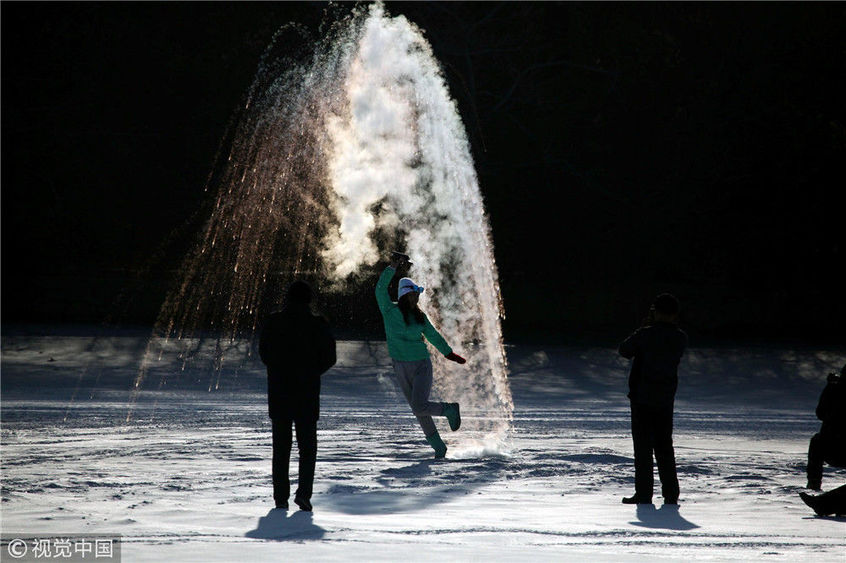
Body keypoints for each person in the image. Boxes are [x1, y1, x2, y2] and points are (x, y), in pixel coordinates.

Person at [375, 253, 466, 458]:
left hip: (421, 365)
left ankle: (450, 410)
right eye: (412, 295)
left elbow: (433, 336)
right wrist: (392, 267)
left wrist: (449, 354)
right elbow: (380, 289)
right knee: (419, 410)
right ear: (403, 296)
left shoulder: (420, 316)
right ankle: (438, 447)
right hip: (400, 366)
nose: (416, 299)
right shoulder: (389, 311)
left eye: (416, 296)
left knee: (419, 405)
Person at [259, 281, 336, 512]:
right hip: (307, 392)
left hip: (280, 392)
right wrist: (312, 372)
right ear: (309, 299)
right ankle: (303, 494)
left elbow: (265, 353)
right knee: (307, 447)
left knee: (281, 448)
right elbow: (330, 357)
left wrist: (278, 370)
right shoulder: (318, 324)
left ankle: (280, 497)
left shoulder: (274, 322)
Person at [618, 293, 688, 505]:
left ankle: (644, 493)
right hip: (665, 398)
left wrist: (644, 328)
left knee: (643, 448)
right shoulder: (680, 337)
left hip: (642, 397)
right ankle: (671, 493)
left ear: (655, 312)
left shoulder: (645, 334)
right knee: (665, 447)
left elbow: (624, 350)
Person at [804, 365, 846, 491]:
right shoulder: (833, 388)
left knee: (817, 442)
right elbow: (821, 413)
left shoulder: (834, 388)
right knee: (817, 442)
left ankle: (814, 484)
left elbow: (821, 413)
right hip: (832, 445)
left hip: (832, 446)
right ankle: (814, 484)